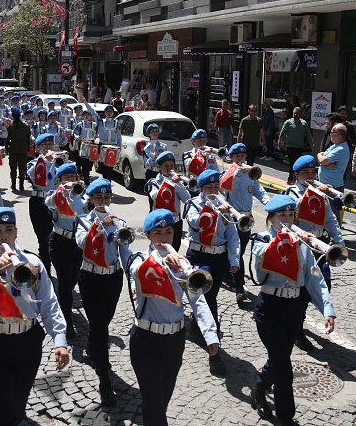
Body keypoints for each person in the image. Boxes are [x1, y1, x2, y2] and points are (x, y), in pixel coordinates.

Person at [0, 207, 69, 426]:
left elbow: (48, 302)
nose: (3, 236)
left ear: (16, 233)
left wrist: (60, 340)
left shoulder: (33, 263)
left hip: (25, 342)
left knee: (17, 403)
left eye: (8, 230)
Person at [127, 209, 220, 426]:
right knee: (154, 399)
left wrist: (211, 335)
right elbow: (137, 272)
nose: (164, 238)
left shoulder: (182, 264)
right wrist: (162, 263)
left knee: (163, 395)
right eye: (157, 233)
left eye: (168, 232)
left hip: (174, 339)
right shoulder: (139, 260)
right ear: (148, 236)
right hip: (145, 339)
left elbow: (198, 301)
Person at [249, 195, 336, 425]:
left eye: (291, 215)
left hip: (294, 307)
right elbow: (257, 270)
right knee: (284, 366)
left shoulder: (302, 245)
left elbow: (314, 278)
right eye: (282, 216)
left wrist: (327, 309)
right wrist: (285, 240)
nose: (287, 219)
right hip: (270, 308)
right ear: (271, 218)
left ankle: (259, 387)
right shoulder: (262, 240)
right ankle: (286, 417)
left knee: (280, 358)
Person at [74, 179, 132, 406]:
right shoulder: (82, 221)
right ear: (90, 199)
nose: (104, 201)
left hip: (113, 276)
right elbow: (81, 242)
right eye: (99, 198)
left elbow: (125, 252)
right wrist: (99, 226)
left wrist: (133, 280)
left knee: (104, 321)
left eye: (107, 197)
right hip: (90, 278)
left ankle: (92, 345)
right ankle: (104, 379)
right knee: (100, 327)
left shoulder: (120, 222)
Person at [284, 155, 344, 351]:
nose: (310, 175)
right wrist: (312, 193)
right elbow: (289, 218)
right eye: (306, 173)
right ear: (297, 175)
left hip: (321, 245)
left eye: (313, 172)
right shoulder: (292, 192)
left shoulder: (320, 195)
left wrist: (339, 243)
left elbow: (331, 220)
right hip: (301, 244)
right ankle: (297, 331)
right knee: (302, 291)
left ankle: (301, 318)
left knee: (323, 284)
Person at [183, 169, 240, 376]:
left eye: (216, 187)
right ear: (201, 189)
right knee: (207, 300)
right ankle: (214, 352)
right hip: (199, 257)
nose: (214, 191)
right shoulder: (193, 205)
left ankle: (198, 326)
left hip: (219, 258)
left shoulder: (225, 206)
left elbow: (233, 236)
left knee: (210, 296)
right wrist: (213, 208)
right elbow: (196, 223)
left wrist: (234, 261)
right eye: (209, 188)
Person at [220, 143, 270, 303]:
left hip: (246, 218)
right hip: (232, 218)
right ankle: (239, 287)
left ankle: (229, 274)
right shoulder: (227, 173)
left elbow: (258, 191)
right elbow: (222, 187)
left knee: (239, 252)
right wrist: (235, 172)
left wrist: (268, 203)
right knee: (236, 251)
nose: (241, 159)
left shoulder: (251, 175)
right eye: (237, 157)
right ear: (232, 158)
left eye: (243, 156)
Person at [46, 163, 88, 341]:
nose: (71, 181)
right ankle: (67, 322)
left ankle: (65, 298)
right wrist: (62, 190)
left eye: (73, 177)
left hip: (77, 244)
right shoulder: (55, 196)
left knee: (73, 279)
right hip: (60, 242)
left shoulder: (83, 195)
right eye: (66, 178)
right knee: (64, 281)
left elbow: (89, 209)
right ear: (60, 180)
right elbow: (48, 203)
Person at [27, 133, 60, 274]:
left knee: (58, 240)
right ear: (38, 148)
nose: (48, 147)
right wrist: (44, 161)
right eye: (44, 145)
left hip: (56, 202)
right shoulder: (34, 163)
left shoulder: (59, 161)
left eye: (50, 144)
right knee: (44, 239)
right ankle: (46, 272)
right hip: (39, 203)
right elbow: (32, 176)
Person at [146, 151, 191, 252]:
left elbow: (187, 199)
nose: (169, 168)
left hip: (176, 222)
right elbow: (157, 197)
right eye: (166, 166)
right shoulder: (153, 183)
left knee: (174, 251)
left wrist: (179, 184)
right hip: (160, 223)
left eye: (171, 166)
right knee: (159, 251)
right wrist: (170, 183)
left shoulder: (177, 182)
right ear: (159, 167)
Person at [81, 96, 122, 182]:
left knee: (110, 168)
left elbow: (119, 135)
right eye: (107, 111)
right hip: (102, 145)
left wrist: (119, 147)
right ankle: (105, 182)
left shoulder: (117, 122)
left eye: (111, 111)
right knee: (103, 166)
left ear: (113, 113)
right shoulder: (100, 121)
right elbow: (92, 112)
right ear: (105, 113)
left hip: (113, 146)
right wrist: (85, 102)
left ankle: (107, 183)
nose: (109, 113)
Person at [278, 107, 313, 185]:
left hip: (299, 147)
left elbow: (308, 134)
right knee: (292, 163)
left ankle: (296, 178)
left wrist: (311, 143)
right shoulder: (288, 122)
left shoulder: (304, 123)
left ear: (300, 114)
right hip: (290, 146)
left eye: (297, 113)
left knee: (298, 163)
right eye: (294, 113)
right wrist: (279, 142)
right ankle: (291, 178)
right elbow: (282, 133)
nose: (295, 115)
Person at [317, 123, 351, 192]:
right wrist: (319, 155)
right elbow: (322, 155)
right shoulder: (335, 146)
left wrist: (323, 160)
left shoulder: (341, 149)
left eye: (332, 132)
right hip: (325, 185)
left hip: (332, 188)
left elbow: (322, 161)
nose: (330, 134)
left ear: (338, 134)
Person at [5, 107, 31, 191]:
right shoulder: (25, 126)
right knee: (22, 167)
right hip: (23, 148)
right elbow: (28, 139)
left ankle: (13, 185)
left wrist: (6, 148)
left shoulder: (10, 127)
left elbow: (7, 139)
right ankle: (21, 186)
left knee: (13, 167)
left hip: (13, 149)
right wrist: (28, 148)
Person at [71, 106, 97, 185]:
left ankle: (87, 173)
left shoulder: (95, 125)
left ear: (91, 116)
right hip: (82, 144)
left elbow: (98, 133)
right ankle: (86, 179)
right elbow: (75, 133)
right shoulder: (80, 124)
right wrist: (77, 137)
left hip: (92, 145)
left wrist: (97, 137)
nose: (86, 116)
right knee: (84, 162)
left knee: (90, 162)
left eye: (88, 114)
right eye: (85, 114)